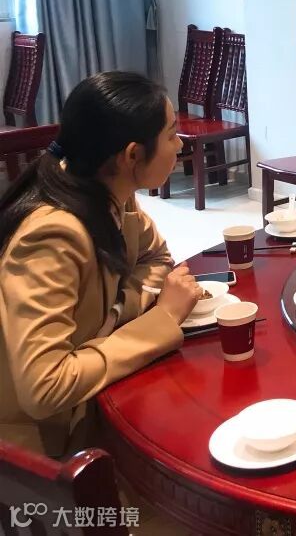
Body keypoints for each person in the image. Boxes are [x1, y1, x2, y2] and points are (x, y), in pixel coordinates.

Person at [0, 72, 202, 458]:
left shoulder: (112, 191)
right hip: (43, 454)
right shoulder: (52, 234)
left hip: (90, 403)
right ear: (132, 155)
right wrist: (162, 318)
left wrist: (114, 315)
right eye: (171, 134)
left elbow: (157, 258)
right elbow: (45, 388)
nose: (179, 144)